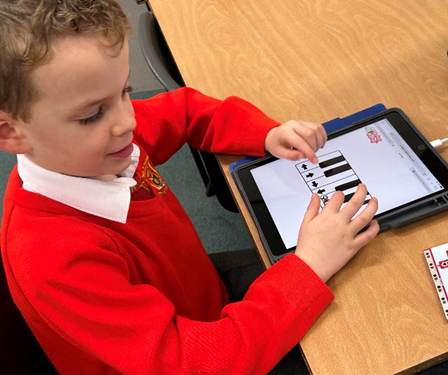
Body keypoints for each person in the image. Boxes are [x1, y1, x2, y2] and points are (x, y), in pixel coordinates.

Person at [0, 1, 379, 374]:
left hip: (200, 296)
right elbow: (192, 362)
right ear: (11, 133)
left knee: (364, 269)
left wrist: (265, 133)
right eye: (91, 114)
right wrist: (308, 266)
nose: (127, 121)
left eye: (126, 91)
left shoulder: (101, 145)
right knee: (361, 343)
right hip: (194, 355)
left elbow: (183, 110)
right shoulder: (54, 258)